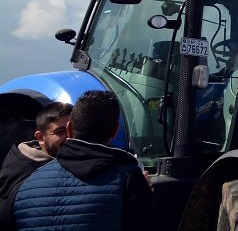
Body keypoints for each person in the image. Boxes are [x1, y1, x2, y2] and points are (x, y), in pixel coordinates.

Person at [7, 90, 152, 231]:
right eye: (58, 131)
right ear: (115, 131)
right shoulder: (128, 179)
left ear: (70, 129)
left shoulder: (25, 185)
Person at [0, 103, 71, 212]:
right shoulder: (21, 177)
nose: (70, 136)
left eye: (73, 129)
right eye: (61, 131)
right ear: (41, 137)